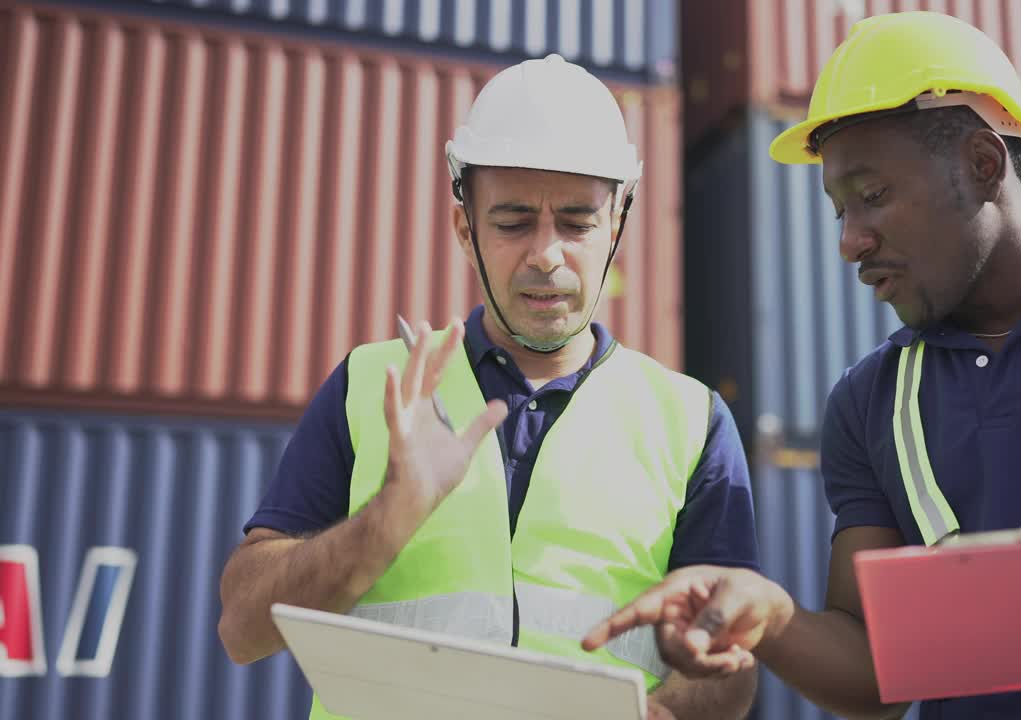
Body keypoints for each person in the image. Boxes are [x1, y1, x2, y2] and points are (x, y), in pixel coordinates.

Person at [583, 11, 1021, 719]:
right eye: (837, 211)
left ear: (983, 164)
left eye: (873, 196)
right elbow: (875, 674)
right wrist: (771, 618)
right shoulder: (867, 404)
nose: (850, 242)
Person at [217, 54, 759, 720]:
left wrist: (665, 715)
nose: (546, 254)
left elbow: (732, 672)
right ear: (464, 228)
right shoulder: (373, 385)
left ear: (617, 224)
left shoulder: (691, 421)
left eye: (577, 222)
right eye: (511, 222)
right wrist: (389, 516)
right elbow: (242, 629)